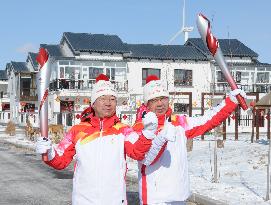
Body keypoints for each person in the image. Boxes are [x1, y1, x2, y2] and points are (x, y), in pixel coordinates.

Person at [35, 74, 171, 205]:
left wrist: (147, 134)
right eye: (102, 98)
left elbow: (137, 152)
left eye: (112, 99)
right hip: (83, 201)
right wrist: (49, 152)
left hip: (115, 201)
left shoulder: (123, 130)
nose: (108, 103)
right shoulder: (78, 130)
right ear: (93, 103)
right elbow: (61, 160)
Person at [133, 75, 246, 205]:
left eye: (163, 98)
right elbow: (145, 158)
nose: (160, 104)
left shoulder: (178, 123)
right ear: (147, 103)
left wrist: (230, 102)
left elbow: (207, 120)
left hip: (179, 196)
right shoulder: (140, 128)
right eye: (154, 100)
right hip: (155, 199)